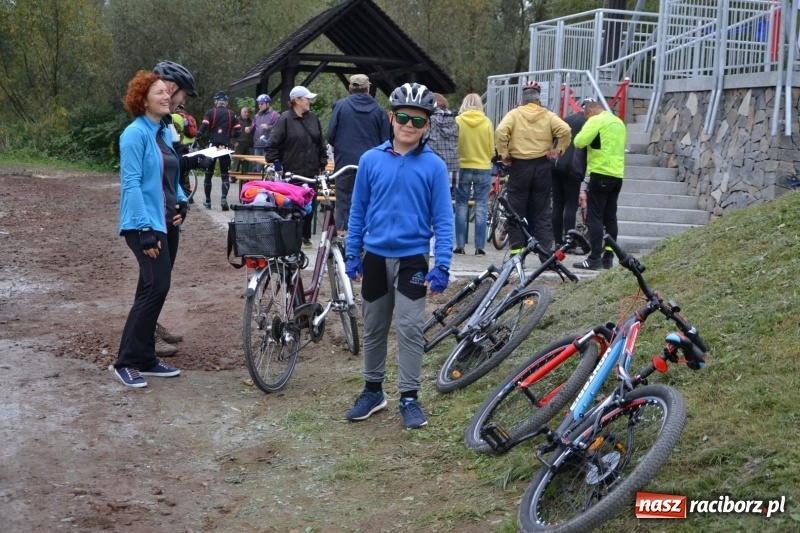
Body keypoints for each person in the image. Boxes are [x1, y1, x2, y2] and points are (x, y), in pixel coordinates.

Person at [344, 82, 453, 430]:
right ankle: (373, 391)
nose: (409, 125)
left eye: (418, 121)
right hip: (375, 257)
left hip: (413, 260)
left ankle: (409, 396)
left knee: (408, 328)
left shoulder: (434, 166)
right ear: (391, 118)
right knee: (374, 327)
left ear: (428, 126)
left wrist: (443, 264)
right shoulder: (370, 160)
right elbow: (358, 210)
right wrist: (352, 253)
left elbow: (444, 219)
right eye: (403, 117)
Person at [114, 70, 190, 387]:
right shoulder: (134, 134)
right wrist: (144, 228)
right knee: (155, 286)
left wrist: (183, 202)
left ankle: (145, 357)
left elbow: (171, 178)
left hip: (166, 221)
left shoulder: (161, 133)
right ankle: (126, 361)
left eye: (166, 92)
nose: (165, 96)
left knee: (153, 287)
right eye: (158, 92)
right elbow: (131, 184)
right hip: (144, 223)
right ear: (142, 100)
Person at [151, 60, 202, 356]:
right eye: (182, 95)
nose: (182, 101)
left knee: (163, 275)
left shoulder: (169, 121)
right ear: (171, 87)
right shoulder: (150, 124)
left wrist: (191, 160)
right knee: (154, 279)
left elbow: (173, 160)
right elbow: (152, 169)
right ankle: (146, 334)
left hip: (173, 204)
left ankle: (152, 324)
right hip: (157, 209)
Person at [494, 81, 571, 258]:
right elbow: (565, 130)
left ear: (523, 98)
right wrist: (558, 150)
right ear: (538, 99)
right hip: (542, 166)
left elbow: (500, 131)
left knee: (516, 212)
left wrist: (504, 154)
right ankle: (545, 254)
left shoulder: (514, 114)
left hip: (519, 166)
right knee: (543, 212)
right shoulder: (548, 116)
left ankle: (517, 254)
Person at [326, 74, 391, 234]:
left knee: (343, 205)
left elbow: (330, 136)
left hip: (345, 165)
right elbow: (386, 140)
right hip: (372, 167)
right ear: (368, 88)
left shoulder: (341, 106)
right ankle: (367, 242)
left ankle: (343, 242)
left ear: (350, 88)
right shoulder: (379, 110)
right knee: (370, 203)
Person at [264, 86, 328, 248]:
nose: (310, 101)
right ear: (297, 100)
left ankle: (305, 236)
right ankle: (291, 237)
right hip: (292, 171)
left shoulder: (313, 118)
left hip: (311, 171)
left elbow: (321, 144)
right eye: (307, 98)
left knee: (310, 205)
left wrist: (322, 164)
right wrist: (277, 164)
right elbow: (272, 145)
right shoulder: (284, 119)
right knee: (292, 205)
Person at [572, 99, 627, 270]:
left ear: (590, 111)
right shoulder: (619, 122)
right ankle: (608, 257)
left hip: (600, 173)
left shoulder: (596, 120)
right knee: (610, 217)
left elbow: (579, 141)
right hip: (617, 174)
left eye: (587, 117)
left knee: (595, 217)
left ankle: (594, 258)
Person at [454, 93, 494, 256]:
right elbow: (492, 148)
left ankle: (460, 245)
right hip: (482, 167)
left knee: (461, 205)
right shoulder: (487, 122)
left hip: (462, 166)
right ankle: (479, 247)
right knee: (481, 206)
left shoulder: (458, 121)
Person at [195, 91, 241, 211]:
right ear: (226, 102)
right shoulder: (232, 114)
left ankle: (208, 201)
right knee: (225, 175)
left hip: (212, 146)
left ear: (216, 102)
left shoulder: (211, 112)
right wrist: (231, 137)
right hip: (225, 146)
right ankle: (224, 198)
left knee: (208, 174)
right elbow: (238, 131)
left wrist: (197, 139)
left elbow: (203, 127)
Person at [551, 107, 588, 253]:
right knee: (571, 205)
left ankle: (558, 243)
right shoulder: (589, 122)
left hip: (556, 164)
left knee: (557, 204)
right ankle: (570, 242)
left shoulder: (567, 119)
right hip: (573, 166)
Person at [427, 93, 460, 192]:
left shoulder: (430, 121)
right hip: (452, 167)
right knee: (447, 199)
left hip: (434, 166)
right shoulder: (454, 121)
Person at [251, 94, 280, 173]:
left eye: (262, 104)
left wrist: (268, 127)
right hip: (257, 145)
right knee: (257, 168)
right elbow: (253, 127)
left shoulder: (274, 115)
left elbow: (279, 128)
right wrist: (248, 129)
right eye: (259, 104)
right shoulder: (256, 116)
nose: (260, 106)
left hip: (267, 145)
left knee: (268, 168)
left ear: (267, 104)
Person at [232, 106, 253, 174]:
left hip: (248, 144)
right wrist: (234, 142)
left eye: (248, 112)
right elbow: (231, 132)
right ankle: (234, 176)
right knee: (236, 162)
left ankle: (245, 177)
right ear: (241, 113)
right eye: (245, 112)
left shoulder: (251, 122)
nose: (246, 114)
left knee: (247, 162)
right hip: (239, 144)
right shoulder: (237, 121)